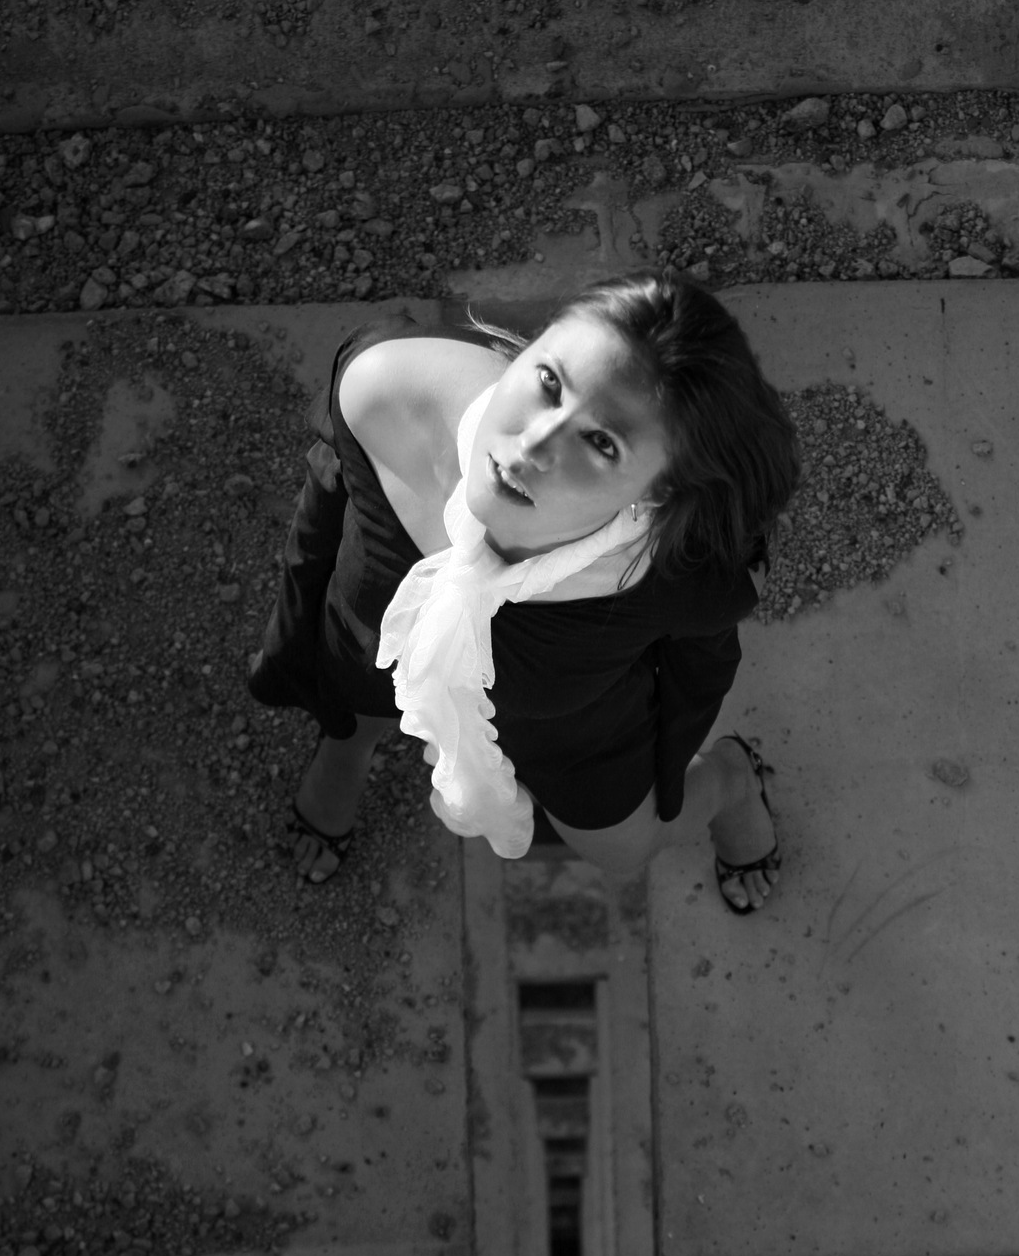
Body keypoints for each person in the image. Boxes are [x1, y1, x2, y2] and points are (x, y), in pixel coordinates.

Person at [247, 269, 800, 911]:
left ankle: (731, 778)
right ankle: (347, 747)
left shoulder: (677, 566)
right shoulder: (384, 386)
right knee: (361, 679)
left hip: (563, 724)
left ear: (655, 493)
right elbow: (327, 505)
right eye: (549, 383)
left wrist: (671, 765)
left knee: (623, 851)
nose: (532, 445)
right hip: (379, 650)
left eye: (601, 442)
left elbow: (699, 667)